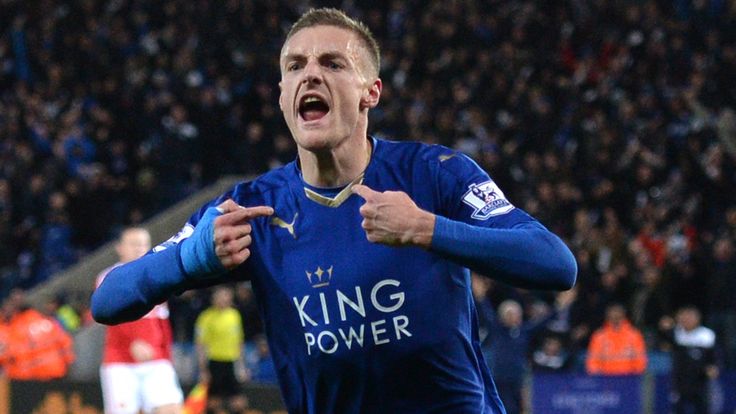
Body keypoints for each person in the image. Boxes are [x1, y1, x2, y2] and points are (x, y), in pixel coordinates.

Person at [92, 8, 577, 413]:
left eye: (332, 63)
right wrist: (189, 258)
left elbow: (555, 263)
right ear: (283, 96)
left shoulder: (435, 174)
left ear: (372, 92)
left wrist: (427, 229)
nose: (311, 75)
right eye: (295, 66)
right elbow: (109, 300)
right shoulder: (254, 207)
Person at [95, 227, 183, 414]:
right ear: (120, 247)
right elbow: (109, 316)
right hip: (121, 362)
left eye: (143, 244)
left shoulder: (157, 275)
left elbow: (161, 320)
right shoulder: (109, 277)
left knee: (172, 409)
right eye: (134, 244)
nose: (139, 248)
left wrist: (168, 356)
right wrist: (132, 341)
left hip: (156, 360)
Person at [194, 286, 248, 413]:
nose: (224, 299)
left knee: (238, 402)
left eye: (226, 296)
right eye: (221, 296)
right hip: (214, 362)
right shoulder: (206, 317)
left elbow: (239, 342)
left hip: (232, 362)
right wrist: (203, 370)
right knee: (214, 402)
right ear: (214, 298)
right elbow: (200, 345)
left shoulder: (235, 315)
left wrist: (241, 366)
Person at [0, 291, 75, 381]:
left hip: (30, 375)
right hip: (51, 371)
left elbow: (12, 352)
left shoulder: (20, 326)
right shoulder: (47, 321)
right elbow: (65, 342)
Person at [660, 306, 719, 414]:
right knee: (678, 408)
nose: (686, 320)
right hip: (680, 380)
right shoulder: (675, 334)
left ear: (697, 318)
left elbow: (713, 357)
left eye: (690, 317)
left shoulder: (706, 335)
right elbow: (664, 344)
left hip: (700, 380)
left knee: (703, 407)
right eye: (683, 317)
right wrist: (665, 329)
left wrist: (713, 367)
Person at [586, 303, 647, 375]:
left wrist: (632, 377)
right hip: (605, 381)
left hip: (629, 380)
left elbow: (641, 363)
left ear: (623, 316)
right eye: (612, 317)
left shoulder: (634, 336)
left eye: (618, 316)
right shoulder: (599, 336)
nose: (615, 318)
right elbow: (592, 364)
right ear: (607, 317)